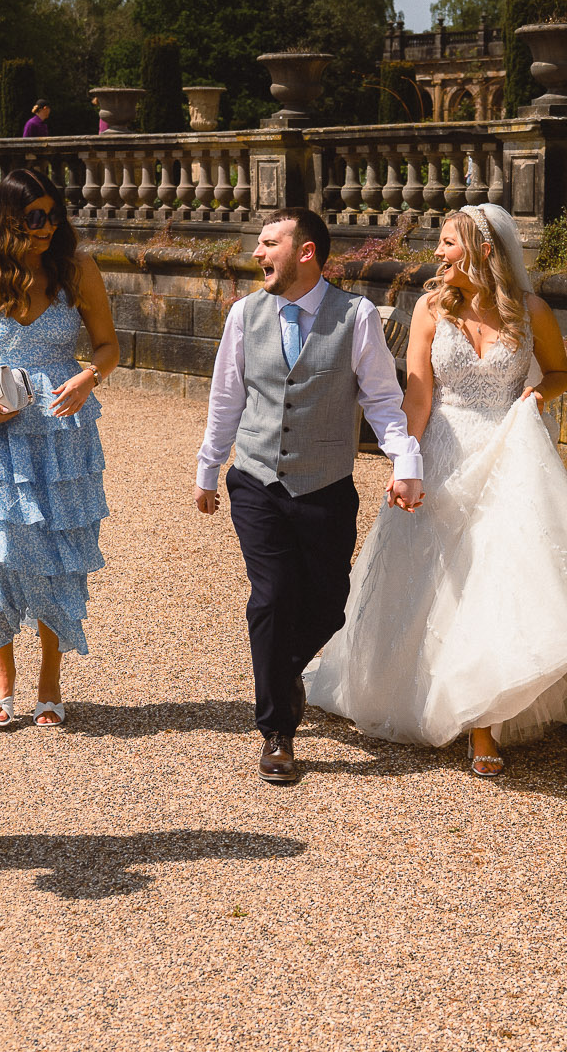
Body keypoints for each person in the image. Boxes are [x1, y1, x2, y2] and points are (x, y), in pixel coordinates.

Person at [305, 205, 567, 776]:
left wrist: (535, 397)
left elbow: (559, 374)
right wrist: (405, 463)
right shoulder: (429, 309)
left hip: (509, 453)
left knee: (497, 578)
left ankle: (483, 723)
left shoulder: (530, 311)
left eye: (448, 243)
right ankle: (432, 692)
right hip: (444, 453)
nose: (437, 253)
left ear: (483, 249)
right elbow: (418, 397)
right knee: (439, 579)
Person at [192, 207, 424, 785]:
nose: (256, 253)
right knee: (271, 598)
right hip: (256, 480)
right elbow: (226, 397)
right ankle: (276, 732)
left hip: (325, 484)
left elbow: (382, 399)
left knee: (328, 605)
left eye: (268, 242)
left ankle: (283, 669)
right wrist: (208, 468)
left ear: (305, 252)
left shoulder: (357, 315)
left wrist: (406, 461)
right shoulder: (244, 315)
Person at [0, 168, 117, 728]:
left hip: (62, 432)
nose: (47, 227)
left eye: (54, 216)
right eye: (35, 217)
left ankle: (51, 677)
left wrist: (89, 377)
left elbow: (108, 346)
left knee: (58, 551)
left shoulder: (76, 268)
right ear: (8, 217)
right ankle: (2, 675)